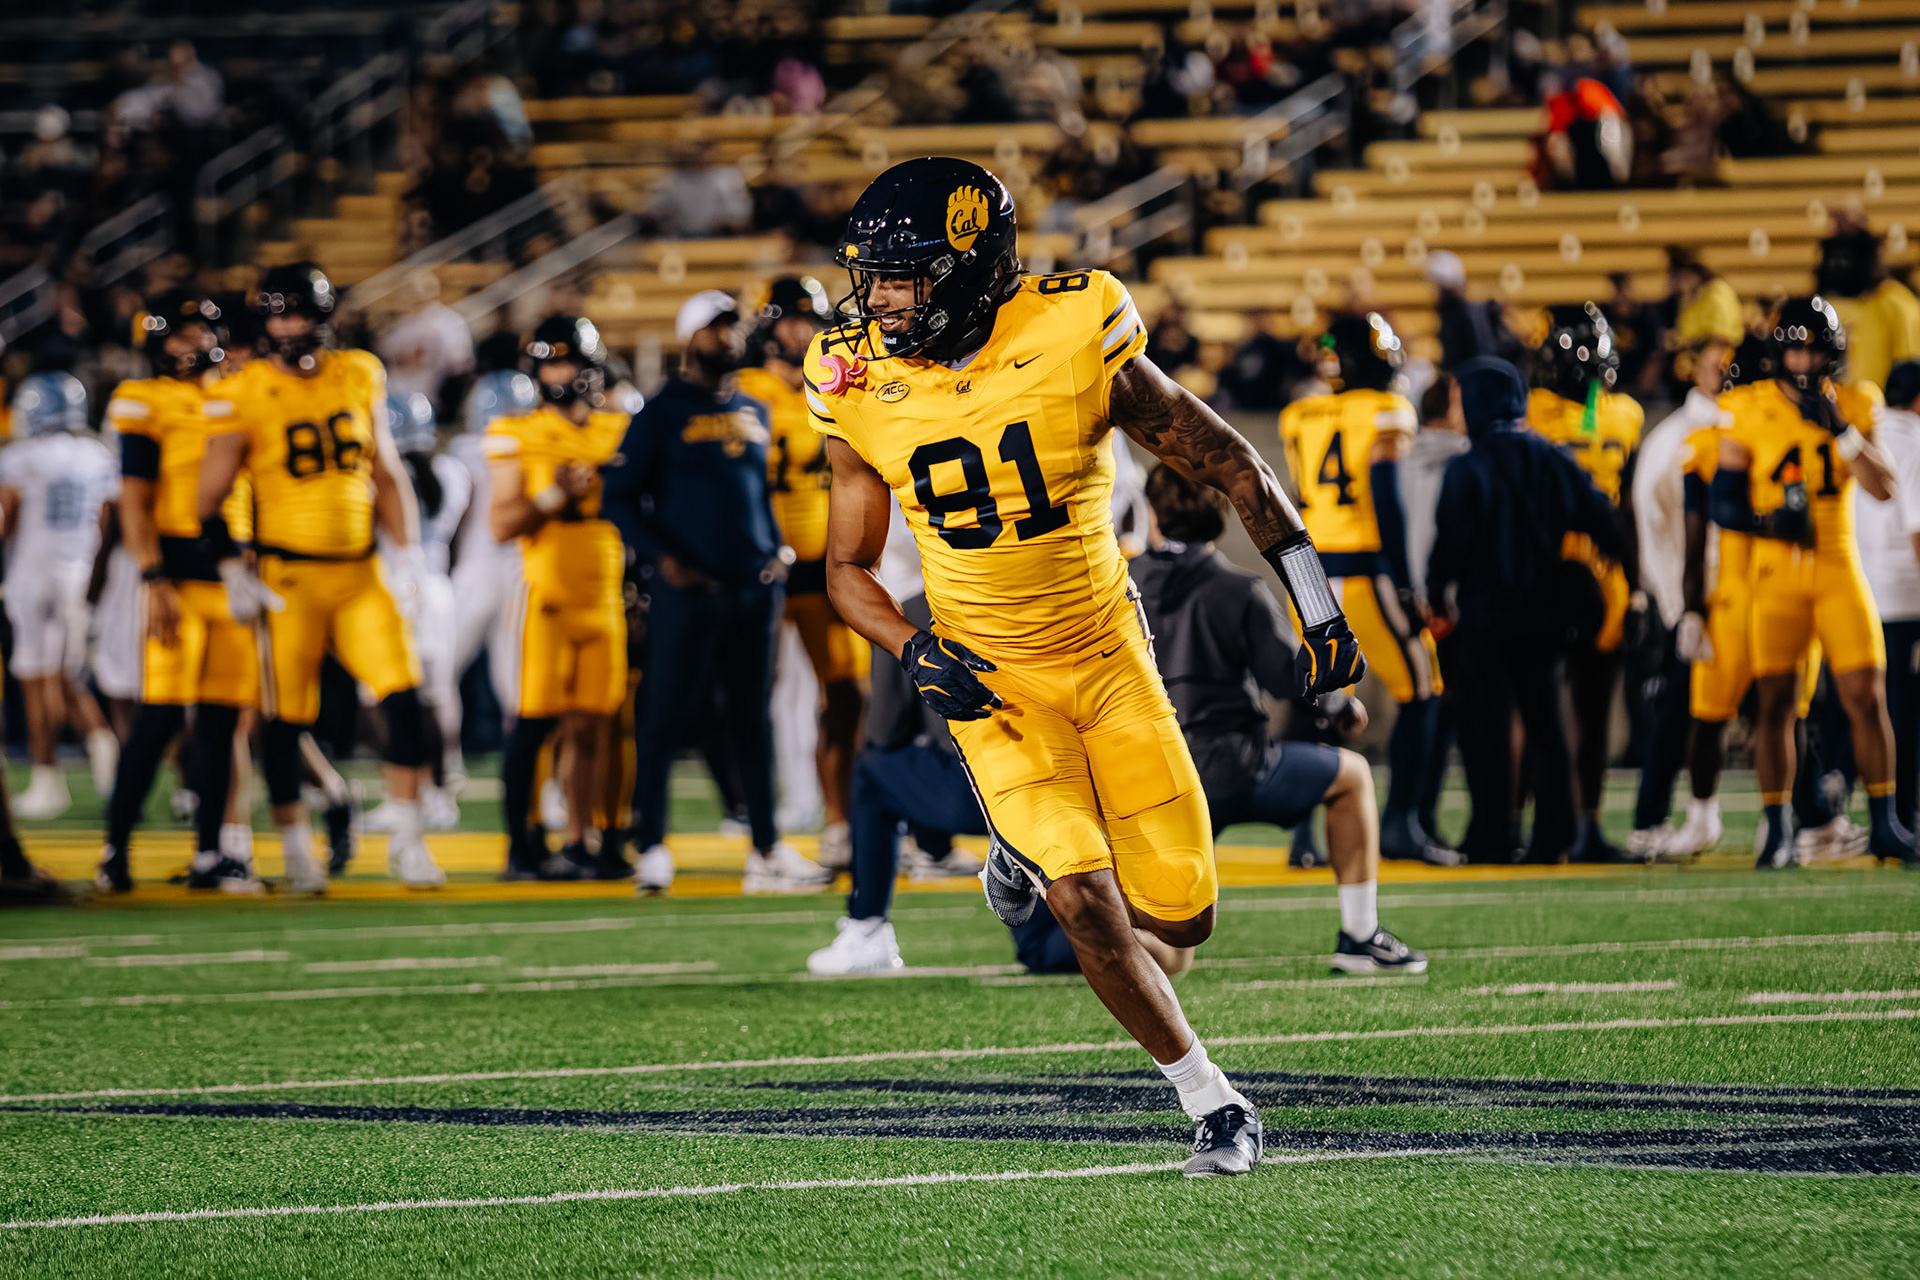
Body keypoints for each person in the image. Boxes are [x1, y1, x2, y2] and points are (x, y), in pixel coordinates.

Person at [810, 157, 1365, 1176]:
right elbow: (844, 569)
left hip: (1109, 658)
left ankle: (1019, 851)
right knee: (1079, 897)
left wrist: (1317, 607)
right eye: (872, 278)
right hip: (991, 680)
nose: (877, 300)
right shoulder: (852, 380)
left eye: (902, 277)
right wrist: (914, 646)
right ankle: (1212, 1100)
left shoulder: (1075, 328)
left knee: (1183, 913)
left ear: (969, 270)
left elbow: (1232, 463)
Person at [196, 262, 445, 891]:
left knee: (404, 699)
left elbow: (386, 470)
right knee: (285, 721)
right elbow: (207, 499)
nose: (289, 327)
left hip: (360, 571)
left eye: (300, 313)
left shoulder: (359, 372)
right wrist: (231, 568)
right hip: (288, 578)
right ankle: (296, 850)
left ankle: (408, 841)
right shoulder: (243, 390)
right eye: (279, 316)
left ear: (323, 315)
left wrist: (410, 555)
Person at [1133, 463, 1426, 971]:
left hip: (1153, 780)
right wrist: (1342, 706)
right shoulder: (1237, 589)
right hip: (1233, 770)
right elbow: (1292, 678)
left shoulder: (1122, 581)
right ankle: (1360, 935)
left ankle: (1102, 941)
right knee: (1353, 777)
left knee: (1172, 955)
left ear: (1154, 512)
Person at [603, 291, 829, 894]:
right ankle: (652, 844)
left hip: (754, 589)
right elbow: (617, 498)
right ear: (689, 337)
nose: (727, 338)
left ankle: (766, 848)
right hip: (688, 592)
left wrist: (776, 550)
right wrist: (663, 562)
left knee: (753, 719)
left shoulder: (754, 407)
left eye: (732, 327)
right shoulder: (660, 412)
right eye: (715, 328)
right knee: (662, 714)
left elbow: (757, 492)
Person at [1714, 297, 1915, 868]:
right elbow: (1724, 502)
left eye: (1814, 349)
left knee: (1867, 695)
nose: (1804, 361)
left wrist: (1842, 430)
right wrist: (1767, 521)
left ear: (1832, 353)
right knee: (1776, 704)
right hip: (1776, 569)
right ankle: (1779, 829)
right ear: (1778, 354)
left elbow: (1884, 488)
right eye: (1795, 350)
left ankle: (1885, 823)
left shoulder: (1856, 402)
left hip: (1836, 562)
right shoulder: (1747, 406)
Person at [95, 291, 262, 894]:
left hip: (232, 576)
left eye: (199, 333)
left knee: (221, 723)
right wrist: (152, 574)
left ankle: (211, 853)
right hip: (177, 576)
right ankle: (116, 848)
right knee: (160, 717)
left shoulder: (241, 393)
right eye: (180, 335)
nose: (192, 345)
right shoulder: (145, 399)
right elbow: (135, 499)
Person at [1429, 357, 1622, 863]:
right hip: (1544, 614)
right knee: (1547, 727)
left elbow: (1448, 545)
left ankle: (1493, 835)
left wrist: (1434, 593)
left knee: (1486, 731)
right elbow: (1605, 521)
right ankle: (1554, 836)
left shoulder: (1467, 466)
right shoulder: (1552, 456)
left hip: (1484, 617)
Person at [1279, 313, 1449, 864]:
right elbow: (1386, 499)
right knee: (1423, 689)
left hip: (1307, 573)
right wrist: (1406, 582)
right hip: (1362, 567)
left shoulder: (1299, 414)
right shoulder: (1387, 410)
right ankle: (1402, 823)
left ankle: (1303, 838)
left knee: (1321, 698)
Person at [488, 316, 631, 881]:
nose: (559, 376)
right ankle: (521, 845)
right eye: (550, 365)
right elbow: (502, 524)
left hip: (606, 594)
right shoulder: (516, 431)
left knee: (596, 724)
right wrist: (554, 494)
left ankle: (585, 838)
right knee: (533, 724)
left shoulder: (620, 428)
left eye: (568, 362)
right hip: (544, 594)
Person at [736, 277, 868, 870]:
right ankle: (762, 832)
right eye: (792, 320)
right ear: (767, 326)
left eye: (809, 320)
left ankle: (840, 822)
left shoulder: (832, 380)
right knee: (750, 699)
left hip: (822, 563)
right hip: (759, 564)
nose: (803, 332)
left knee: (847, 691)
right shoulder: (744, 392)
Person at [1526, 303, 1644, 862]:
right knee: (1558, 710)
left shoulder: (1615, 415)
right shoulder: (1550, 414)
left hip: (1583, 574)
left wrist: (1637, 586)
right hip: (1568, 573)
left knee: (1580, 709)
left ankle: (1574, 825)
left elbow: (1630, 509)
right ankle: (1559, 824)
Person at [1628, 330, 1738, 858]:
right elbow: (1654, 523)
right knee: (1685, 712)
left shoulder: (1737, 422)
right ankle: (1654, 816)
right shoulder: (1678, 437)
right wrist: (1676, 602)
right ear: (1695, 370)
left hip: (1737, 591)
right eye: (1718, 365)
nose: (1728, 375)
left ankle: (1800, 815)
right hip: (1699, 595)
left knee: (1770, 706)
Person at [0, 371, 121, 821]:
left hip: (32, 573)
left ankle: (48, 777)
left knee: (36, 677)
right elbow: (108, 518)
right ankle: (100, 738)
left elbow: (6, 517)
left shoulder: (19, 458)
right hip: (81, 573)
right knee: (67, 675)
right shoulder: (96, 454)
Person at [363, 390, 470, 832]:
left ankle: (406, 792)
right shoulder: (451, 472)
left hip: (392, 586)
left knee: (388, 699)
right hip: (436, 587)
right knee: (435, 700)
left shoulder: (382, 475)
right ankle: (440, 792)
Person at [1860, 361, 1920, 832]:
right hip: (1908, 594)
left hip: (1865, 591)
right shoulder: (1915, 440)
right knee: (1904, 713)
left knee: (1872, 708)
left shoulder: (1868, 437)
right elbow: (1917, 528)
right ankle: (1904, 815)